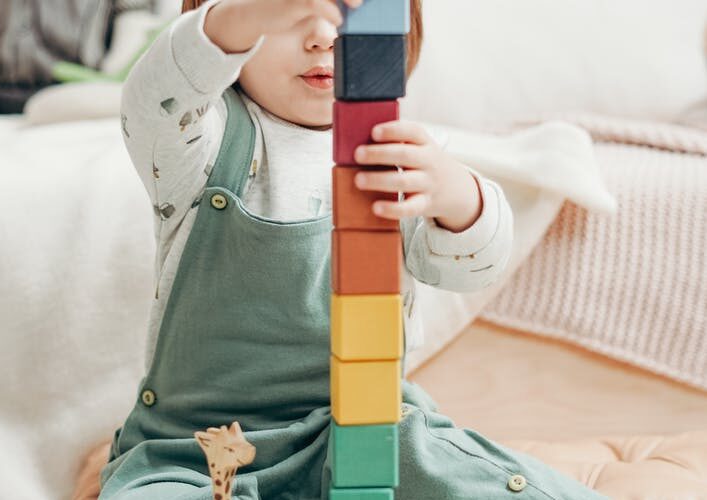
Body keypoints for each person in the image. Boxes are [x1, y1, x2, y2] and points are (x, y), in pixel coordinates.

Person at [101, 0, 608, 498]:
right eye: (289, 13)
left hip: (363, 428)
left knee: (456, 469)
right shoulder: (199, 142)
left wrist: (459, 197)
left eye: (350, 16)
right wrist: (244, 16)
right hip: (198, 450)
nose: (323, 36)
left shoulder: (398, 152)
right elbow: (154, 99)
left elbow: (472, 267)